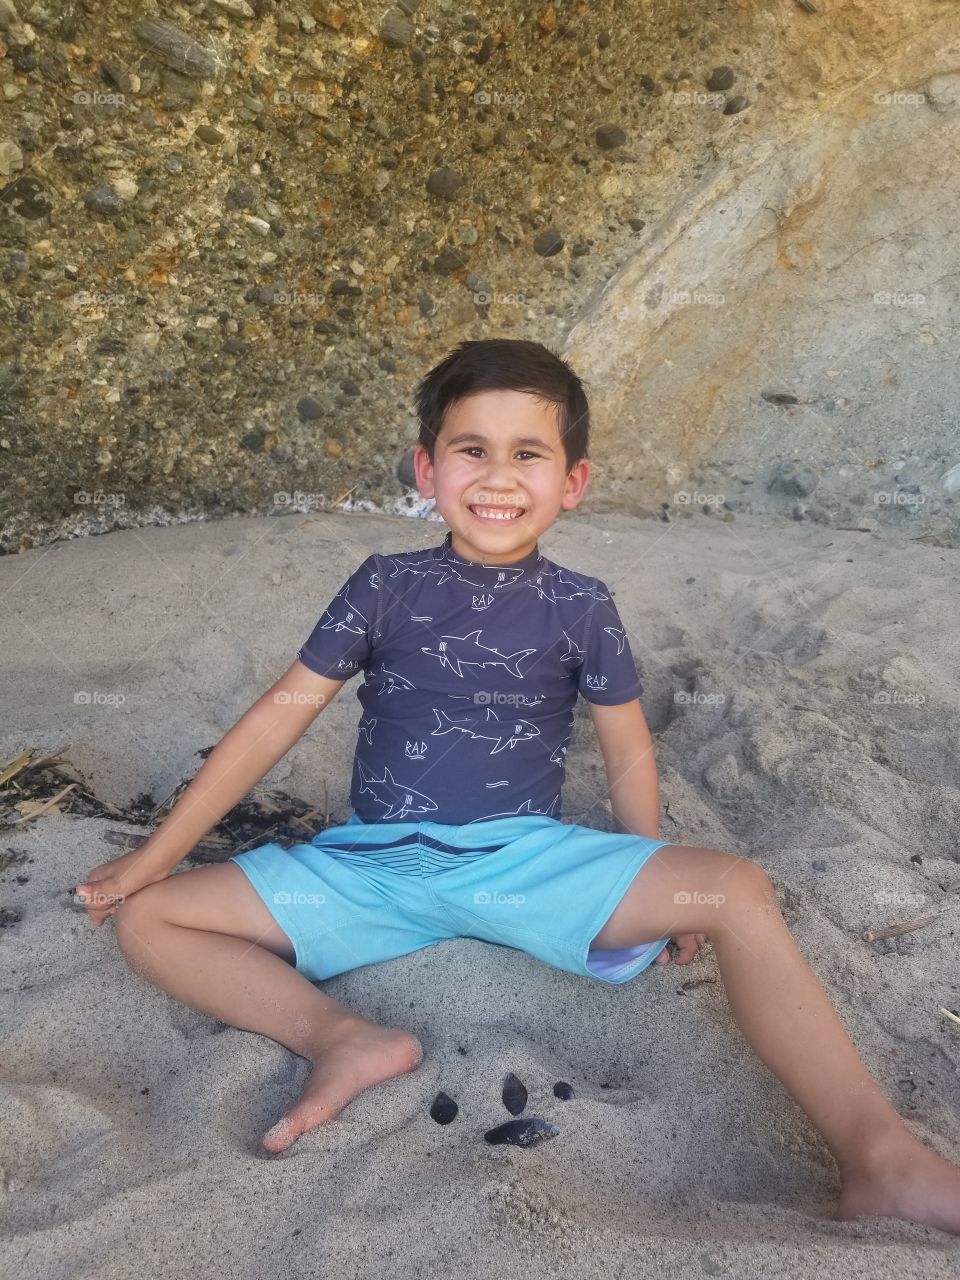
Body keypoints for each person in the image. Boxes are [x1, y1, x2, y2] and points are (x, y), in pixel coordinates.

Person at [74, 339, 960, 1232]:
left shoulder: (582, 603)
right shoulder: (384, 585)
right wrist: (156, 856)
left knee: (733, 888)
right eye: (472, 450)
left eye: (528, 454)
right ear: (427, 468)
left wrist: (650, 868)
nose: (498, 477)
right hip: (368, 870)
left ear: (573, 480)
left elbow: (626, 751)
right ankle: (341, 1038)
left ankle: (881, 1158)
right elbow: (279, 715)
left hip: (526, 865)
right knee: (153, 919)